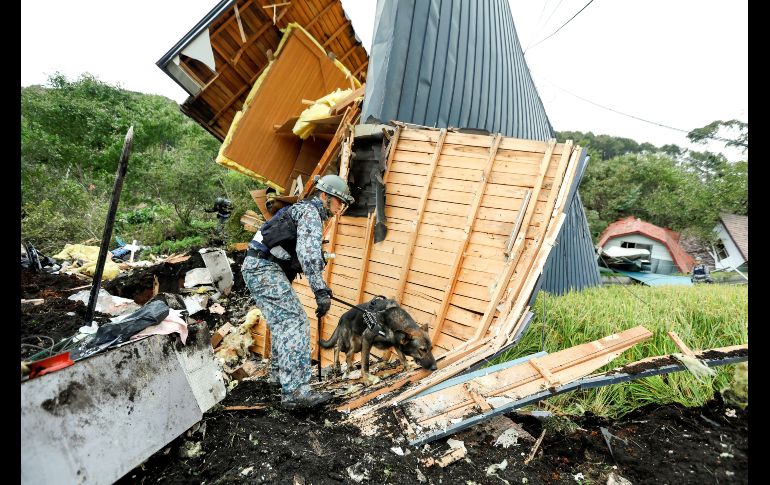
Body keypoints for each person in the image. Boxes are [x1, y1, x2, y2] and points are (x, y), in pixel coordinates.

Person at [241, 174, 354, 409]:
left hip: (257, 266)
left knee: (284, 323)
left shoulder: (302, 211)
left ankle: (277, 379)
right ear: (324, 196)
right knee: (295, 322)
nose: (339, 208)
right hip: (263, 268)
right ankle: (295, 393)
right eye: (338, 202)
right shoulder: (311, 214)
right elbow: (308, 253)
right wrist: (320, 291)